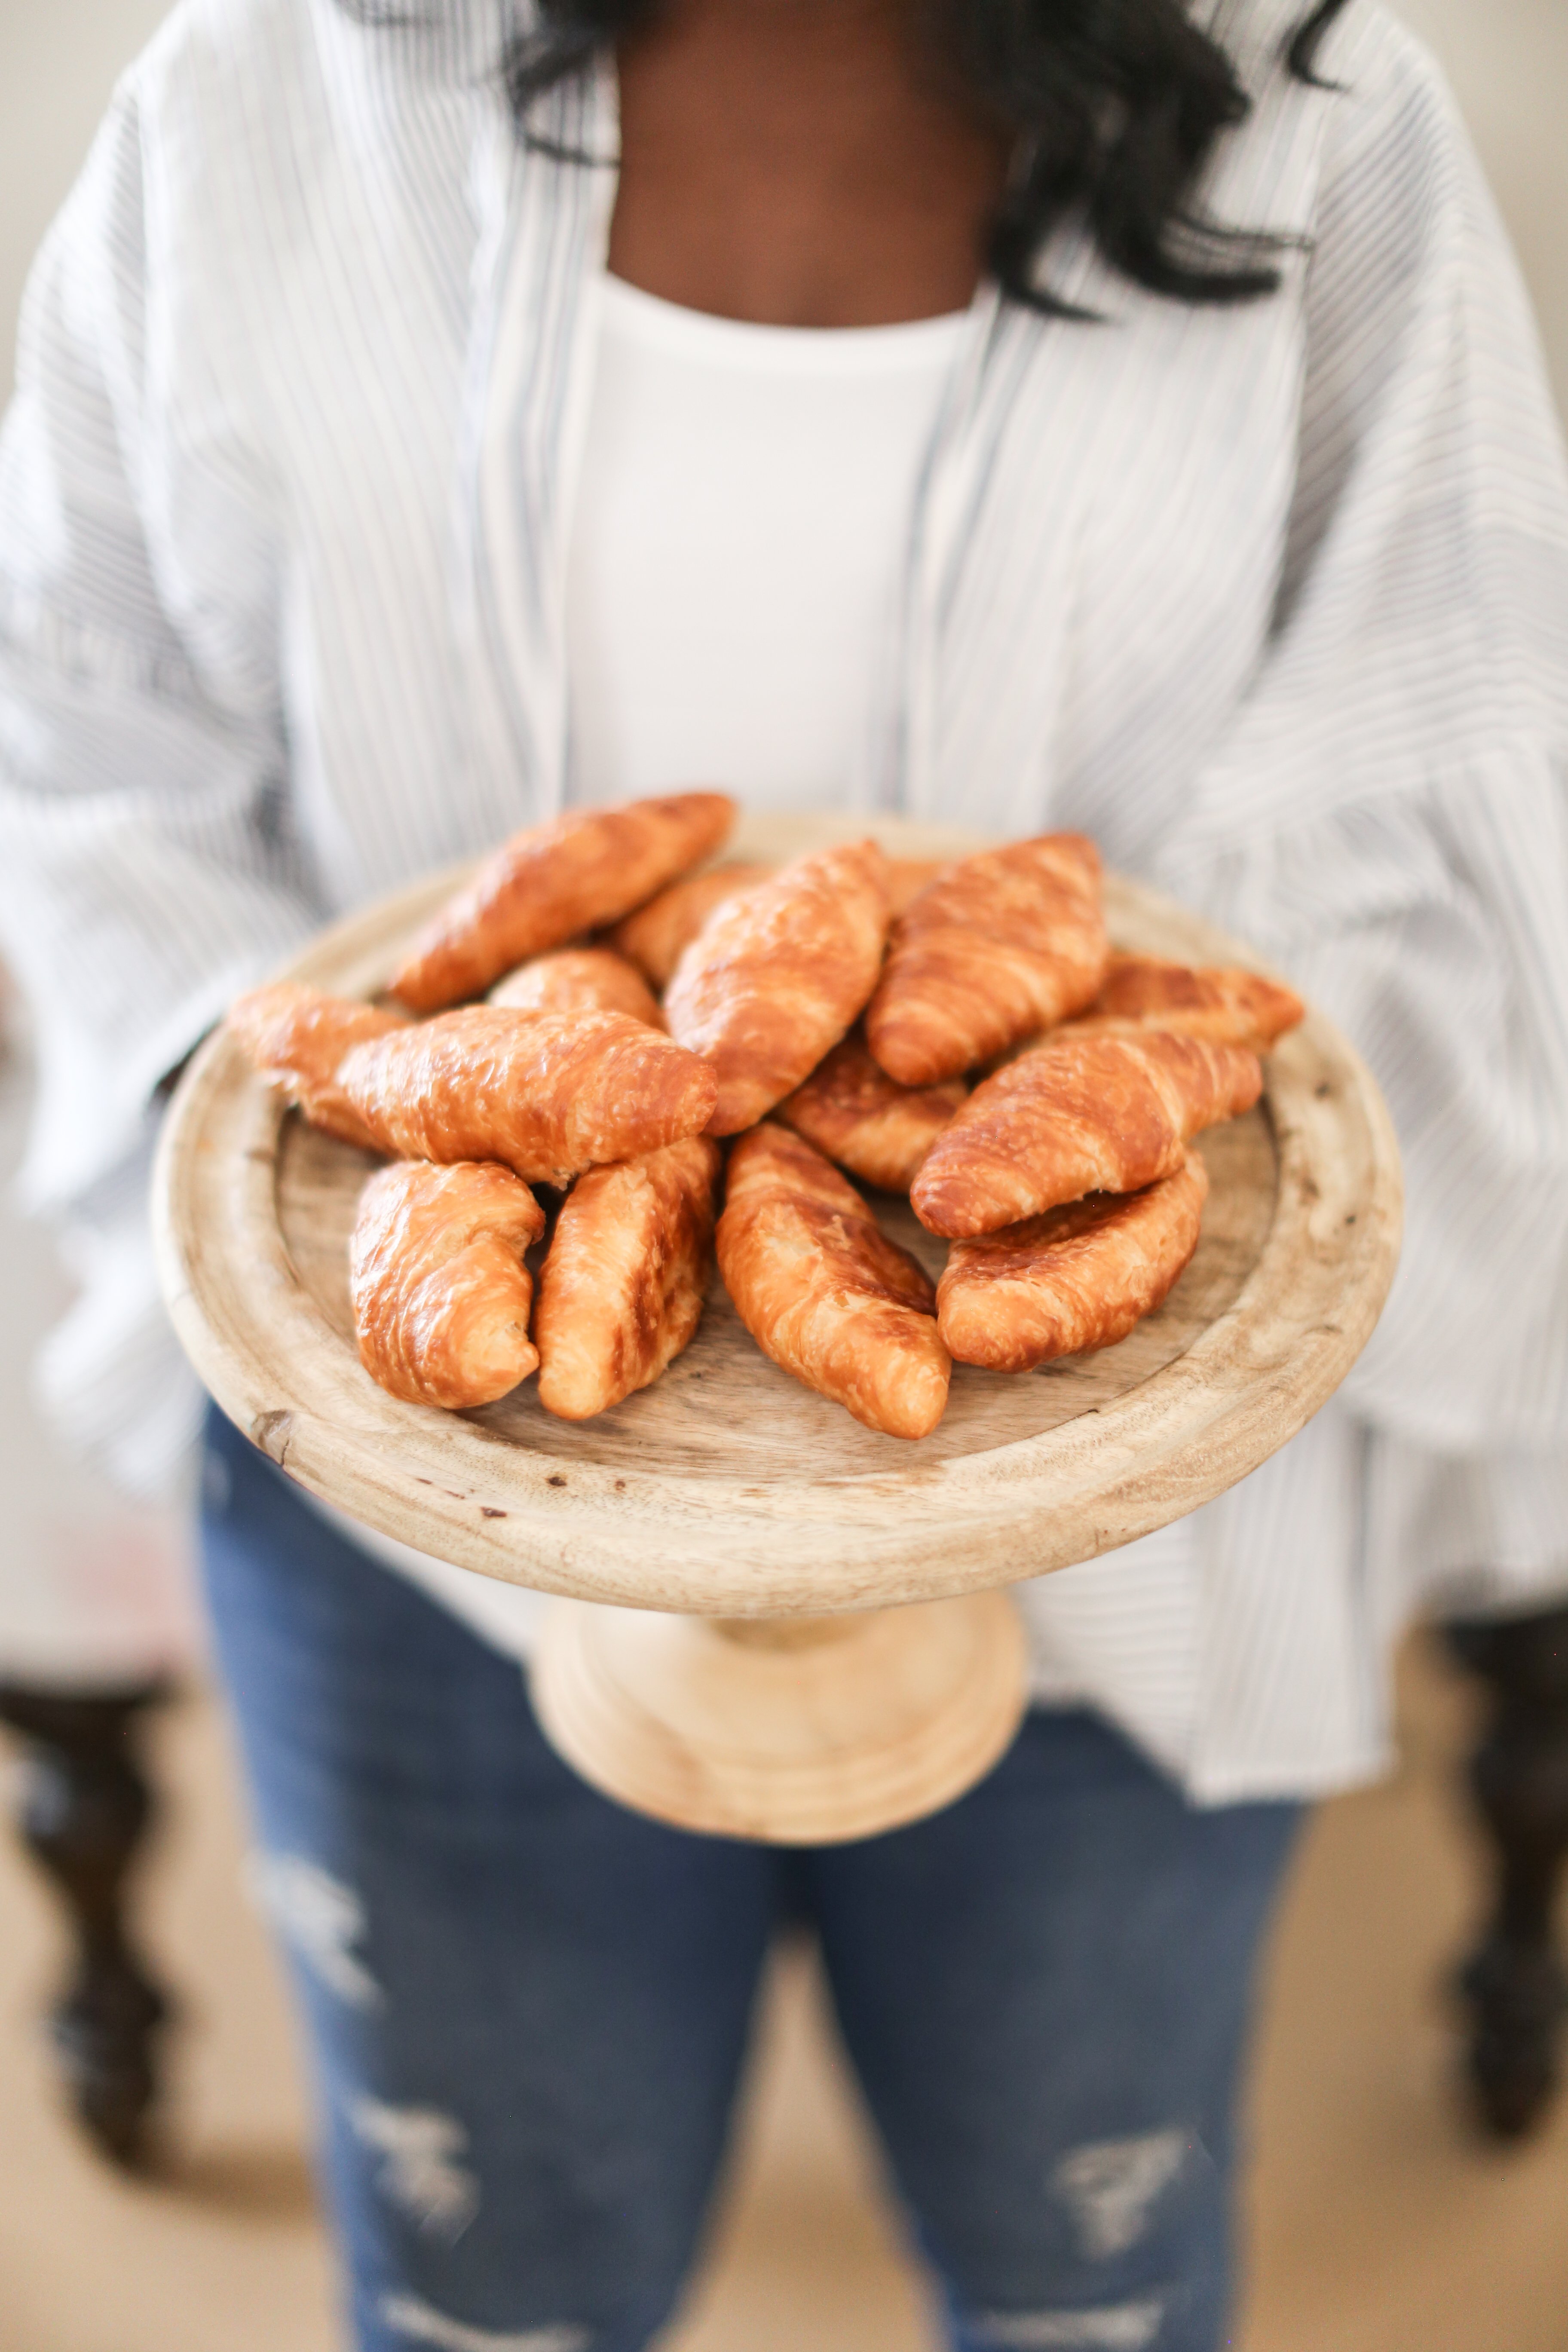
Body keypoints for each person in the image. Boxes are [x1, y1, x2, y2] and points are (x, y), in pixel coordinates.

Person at [3, 0, 1568, 2345]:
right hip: (423, 1516)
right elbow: (79, 734)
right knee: (495, 2286)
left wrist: (995, 1119)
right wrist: (398, 1143)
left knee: (1089, 2279)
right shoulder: (250, 101)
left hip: (1128, 1537)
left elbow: (1446, 765)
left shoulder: (1318, 120)